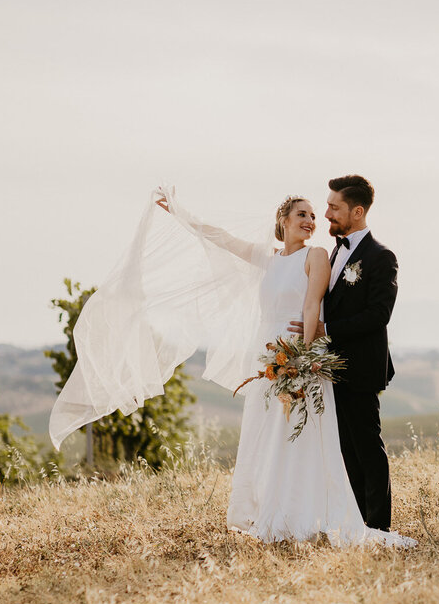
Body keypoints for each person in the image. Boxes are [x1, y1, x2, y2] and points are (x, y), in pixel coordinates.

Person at [49, 187, 413, 548]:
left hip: (297, 359)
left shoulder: (317, 255)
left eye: (315, 215)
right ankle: (272, 512)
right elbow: (222, 239)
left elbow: (311, 309)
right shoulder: (270, 260)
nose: (312, 220)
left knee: (304, 439)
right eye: (302, 214)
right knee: (267, 436)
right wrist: (180, 212)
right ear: (282, 221)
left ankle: (310, 515)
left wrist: (302, 359)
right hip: (267, 361)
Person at [287, 175, 397, 532]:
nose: (327, 213)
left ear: (358, 211)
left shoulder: (380, 257)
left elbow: (379, 315)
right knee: (346, 450)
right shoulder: (335, 252)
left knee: (367, 447)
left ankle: (378, 526)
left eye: (334, 208)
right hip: (331, 367)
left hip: (361, 366)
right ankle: (357, 523)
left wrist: (326, 331)